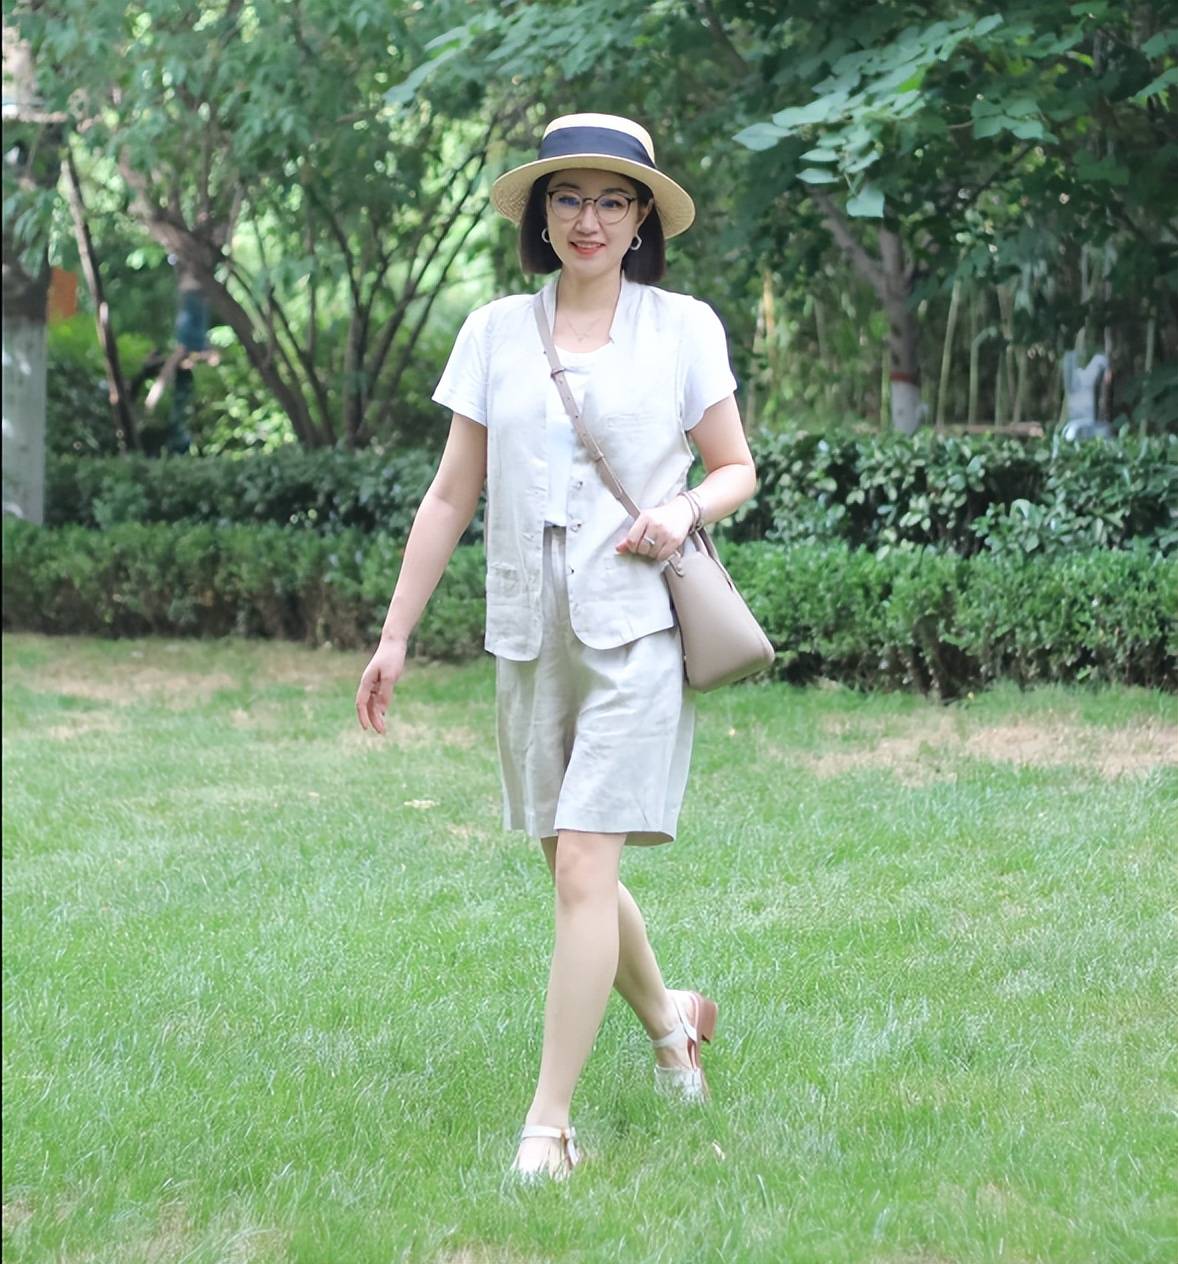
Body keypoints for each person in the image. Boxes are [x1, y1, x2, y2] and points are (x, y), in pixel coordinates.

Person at [354, 113, 757, 1182]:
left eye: (612, 201)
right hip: (528, 632)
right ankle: (672, 1024)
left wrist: (679, 509)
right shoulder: (493, 332)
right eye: (569, 198)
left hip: (636, 632)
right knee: (572, 864)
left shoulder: (682, 328)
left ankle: (549, 1125)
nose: (589, 220)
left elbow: (734, 467)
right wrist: (394, 634)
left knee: (584, 862)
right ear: (540, 215)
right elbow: (451, 494)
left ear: (641, 220)